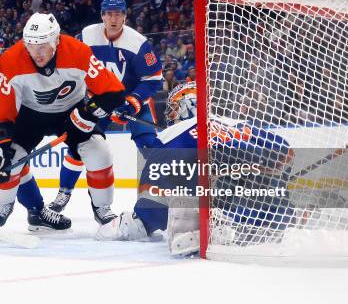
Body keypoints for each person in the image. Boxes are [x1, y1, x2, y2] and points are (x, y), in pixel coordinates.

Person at [96, 82, 299, 256]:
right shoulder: (238, 125)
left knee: (170, 194)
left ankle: (209, 225)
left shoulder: (174, 133)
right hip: (270, 212)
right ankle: (279, 216)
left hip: (218, 213)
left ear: (187, 106)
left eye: (174, 109)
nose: (171, 115)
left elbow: (152, 205)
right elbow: (286, 152)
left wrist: (135, 221)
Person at [0, 12, 125, 231]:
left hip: (72, 110)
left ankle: (102, 208)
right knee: (10, 158)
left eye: (42, 46)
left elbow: (113, 92)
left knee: (100, 151)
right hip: (31, 115)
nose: (36, 53)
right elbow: (4, 114)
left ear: (57, 40)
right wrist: (0, 147)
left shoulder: (78, 52)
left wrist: (86, 116)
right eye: (31, 46)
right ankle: (3, 205)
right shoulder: (10, 60)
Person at [49, 0, 163, 213]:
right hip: (98, 99)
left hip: (131, 99)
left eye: (118, 14)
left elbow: (153, 79)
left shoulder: (138, 43)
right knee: (78, 144)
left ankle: (162, 193)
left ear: (125, 16)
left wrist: (132, 103)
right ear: (102, 15)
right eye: (109, 13)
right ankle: (63, 192)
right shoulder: (86, 36)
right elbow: (69, 63)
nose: (113, 18)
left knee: (150, 145)